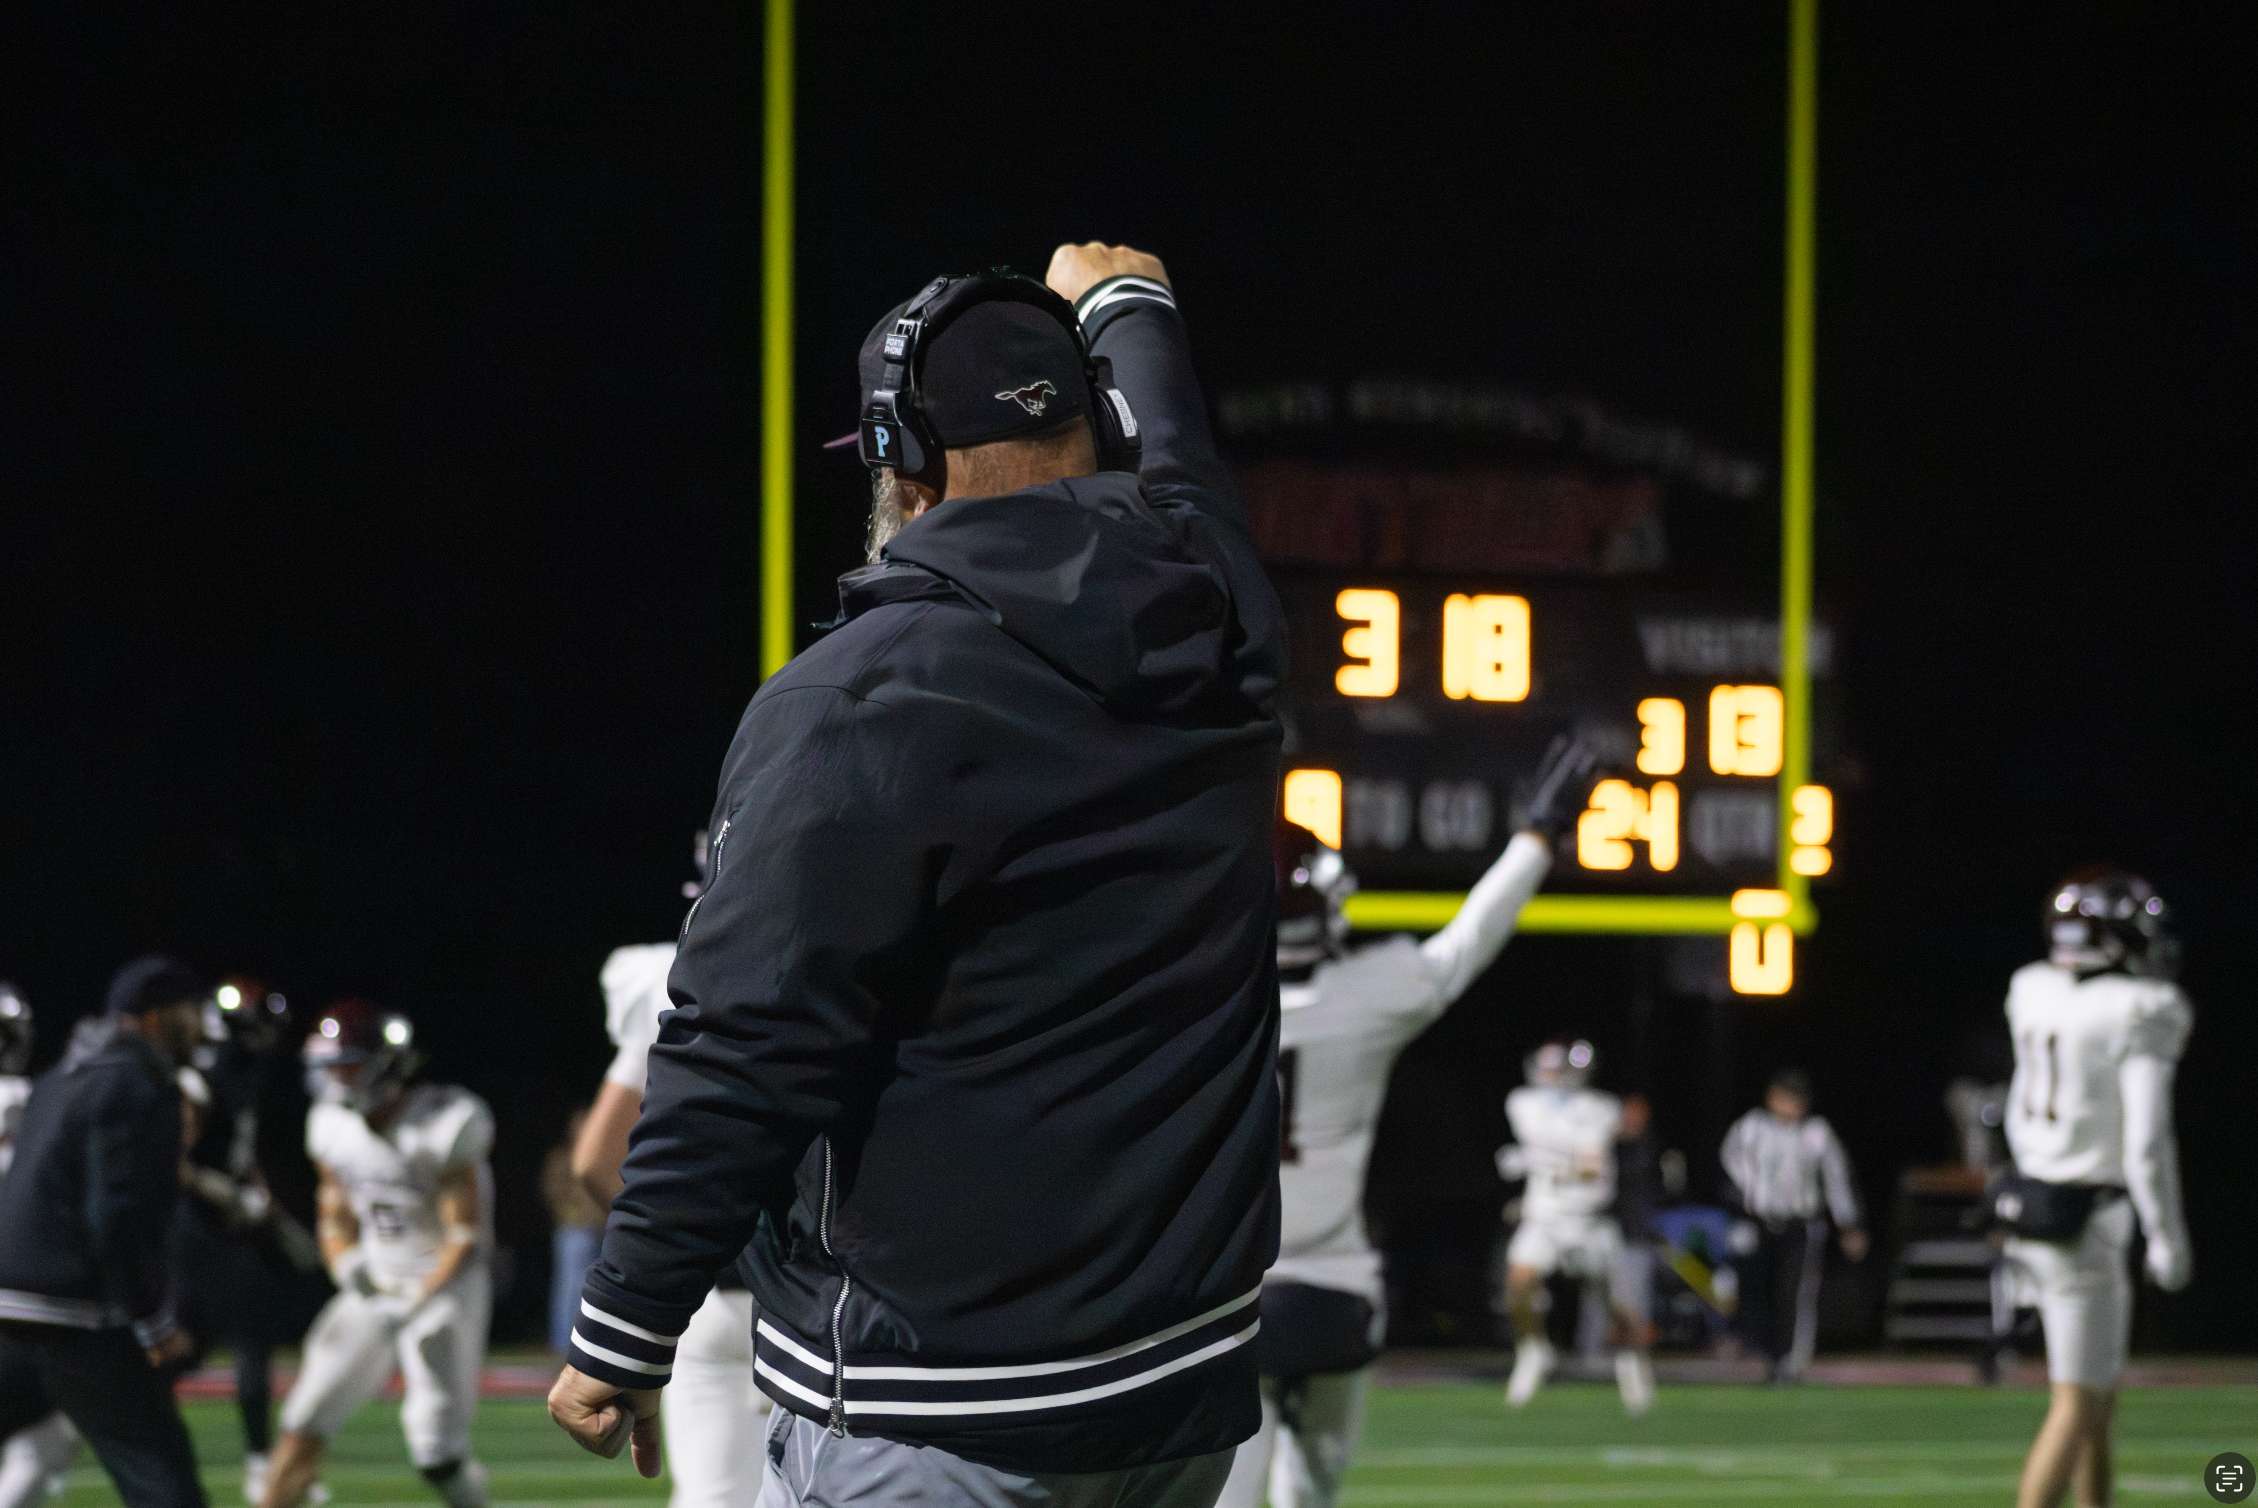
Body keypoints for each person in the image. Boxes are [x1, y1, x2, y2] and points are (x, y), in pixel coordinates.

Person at [548, 241, 1286, 1508]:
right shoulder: (1210, 619)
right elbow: (1182, 481)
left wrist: (624, 1320)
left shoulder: (867, 692)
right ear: (1099, 425)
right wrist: (1132, 320)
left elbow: (746, 1036)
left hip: (942, 1402)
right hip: (1173, 1398)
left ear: (901, 454)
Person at [1213, 738, 1596, 1508]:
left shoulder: (1194, 1005)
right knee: (1310, 1495)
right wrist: (1538, 835)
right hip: (1335, 1288)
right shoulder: (1371, 994)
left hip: (1226, 1296)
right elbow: (1468, 943)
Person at [1999, 869, 2191, 1508]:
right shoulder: (2142, 1007)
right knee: (2077, 1404)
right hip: (2086, 1217)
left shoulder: (2030, 989)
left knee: (2098, 1400)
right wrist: (2167, 1234)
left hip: (2031, 1205)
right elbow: (2145, 1140)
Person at [258, 1001, 495, 1508]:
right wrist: (347, 1268)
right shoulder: (329, 1126)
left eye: (344, 1065)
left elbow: (464, 1234)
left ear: (386, 1064)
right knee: (304, 1417)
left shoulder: (444, 1123)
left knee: (435, 1450)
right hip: (377, 1281)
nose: (333, 1080)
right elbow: (335, 1217)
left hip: (444, 1287)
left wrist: (414, 1300)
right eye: (326, 1067)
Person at [569, 935, 770, 1508]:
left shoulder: (683, 972)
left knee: (711, 1497)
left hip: (707, 1297)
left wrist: (675, 1253)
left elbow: (593, 1163)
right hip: (814, 1294)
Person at [0, 956, 209, 1508]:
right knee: (164, 1483)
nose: (202, 1027)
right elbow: (116, 1218)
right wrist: (156, 1322)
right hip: (74, 1312)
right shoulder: (137, 1083)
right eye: (192, 1012)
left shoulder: (58, 1077)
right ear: (156, 1016)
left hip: (9, 1307)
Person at [175, 977, 307, 1503]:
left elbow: (237, 1148)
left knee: (211, 1343)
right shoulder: (199, 1074)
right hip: (191, 1224)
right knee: (234, 1339)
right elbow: (173, 1160)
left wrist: (256, 1191)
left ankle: (260, 1465)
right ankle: (259, 1466)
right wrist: (230, 1196)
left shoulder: (243, 1072)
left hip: (223, 1222)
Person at [1498, 1039, 1656, 1415]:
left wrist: (1534, 1163)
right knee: (1518, 1284)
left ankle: (1632, 1361)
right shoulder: (1524, 1103)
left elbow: (1590, 1167)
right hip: (1545, 1215)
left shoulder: (1598, 1109)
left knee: (1615, 1305)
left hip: (1588, 1219)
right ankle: (1533, 1350)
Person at [1718, 1067, 1868, 1382]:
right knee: (1757, 1290)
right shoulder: (1750, 1128)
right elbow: (1729, 1169)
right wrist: (1741, 1209)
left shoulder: (1817, 1133)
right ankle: (1764, 1353)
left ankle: (1791, 1361)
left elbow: (1837, 1180)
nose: (1791, 1105)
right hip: (1759, 1223)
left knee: (1795, 1294)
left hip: (1800, 1225)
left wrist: (1849, 1225)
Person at [544, 1108, 605, 1353]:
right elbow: (552, 1190)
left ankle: (594, 1342)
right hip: (575, 1230)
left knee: (599, 1289)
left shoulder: (604, 1155)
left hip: (603, 1228)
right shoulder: (562, 1157)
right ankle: (563, 1344)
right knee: (570, 1286)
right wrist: (573, 1213)